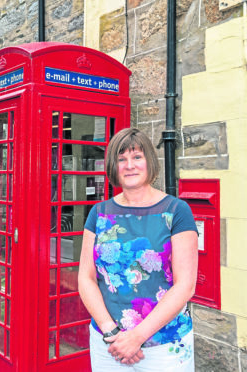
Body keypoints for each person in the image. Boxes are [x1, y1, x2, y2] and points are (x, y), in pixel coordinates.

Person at [78, 128, 198, 371]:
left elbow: (185, 285)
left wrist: (136, 337)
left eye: (137, 157)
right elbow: (86, 278)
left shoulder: (177, 211)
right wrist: (111, 331)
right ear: (113, 165)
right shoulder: (99, 213)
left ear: (149, 162)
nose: (129, 165)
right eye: (121, 159)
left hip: (164, 345)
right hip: (109, 343)